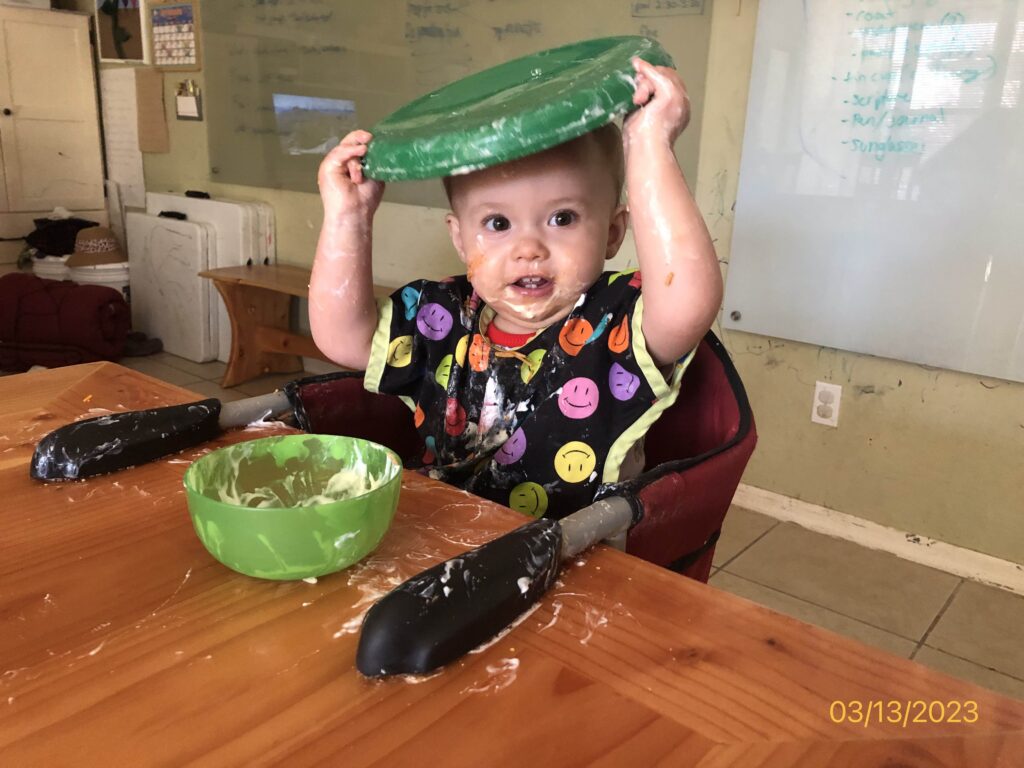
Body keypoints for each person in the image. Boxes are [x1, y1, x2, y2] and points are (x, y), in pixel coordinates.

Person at [310, 58, 721, 519]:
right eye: (498, 223)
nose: (529, 248)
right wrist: (349, 219)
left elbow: (688, 301)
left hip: (575, 562)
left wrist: (649, 146)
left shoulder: (618, 321)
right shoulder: (439, 316)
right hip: (442, 536)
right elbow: (343, 340)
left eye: (562, 218)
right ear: (460, 238)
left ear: (611, 232)